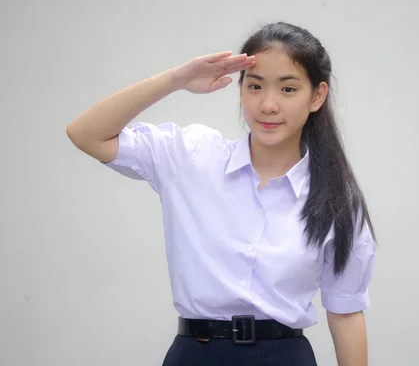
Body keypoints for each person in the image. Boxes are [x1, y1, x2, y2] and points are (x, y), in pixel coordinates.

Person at [66, 22, 377, 365]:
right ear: (240, 89)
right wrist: (176, 80)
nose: (268, 105)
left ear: (317, 96)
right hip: (195, 355)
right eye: (255, 86)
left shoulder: (335, 198)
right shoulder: (193, 157)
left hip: (284, 356)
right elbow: (86, 134)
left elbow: (346, 312)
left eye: (288, 89)